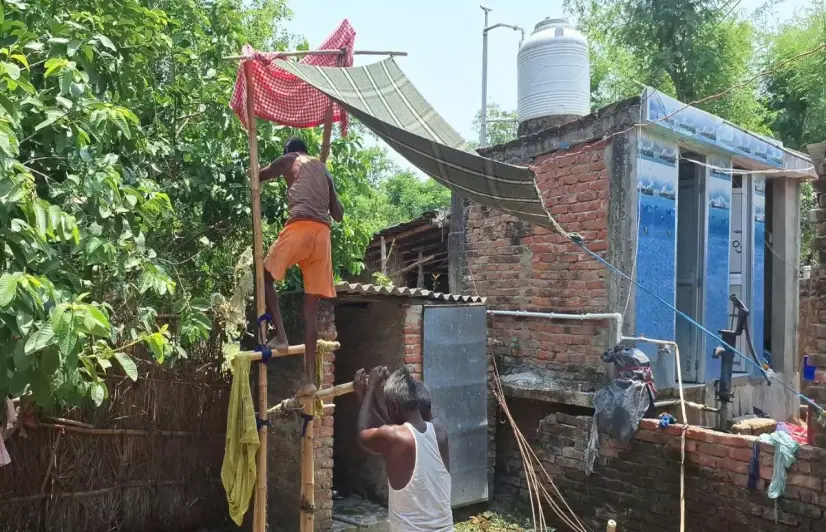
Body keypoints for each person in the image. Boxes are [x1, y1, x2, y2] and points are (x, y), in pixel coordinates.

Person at [259, 137, 344, 396]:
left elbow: (258, 175)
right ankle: (309, 380)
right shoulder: (322, 168)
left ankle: (282, 337)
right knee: (311, 308)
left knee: (265, 274)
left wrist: (256, 170)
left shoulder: (288, 160)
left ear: (290, 151)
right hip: (323, 236)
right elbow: (338, 214)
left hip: (301, 227)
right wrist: (327, 185)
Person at [354, 366, 453, 532]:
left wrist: (368, 392)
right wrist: (368, 399)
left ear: (393, 407)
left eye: (388, 407)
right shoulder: (439, 431)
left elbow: (363, 435)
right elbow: (391, 428)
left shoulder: (395, 438)